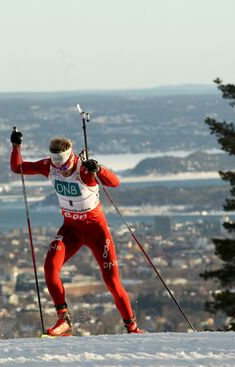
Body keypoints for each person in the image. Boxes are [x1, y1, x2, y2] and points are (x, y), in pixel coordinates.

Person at [10, 128, 143, 336]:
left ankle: (132, 327)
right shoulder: (50, 166)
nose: (61, 170)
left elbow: (115, 183)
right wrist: (16, 147)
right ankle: (64, 321)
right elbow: (18, 167)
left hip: (96, 231)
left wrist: (98, 170)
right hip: (71, 229)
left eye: (65, 166)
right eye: (57, 166)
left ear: (72, 158)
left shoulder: (83, 170)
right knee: (50, 268)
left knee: (111, 281)